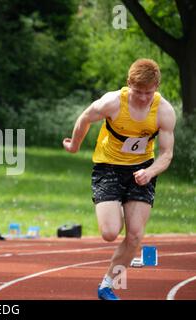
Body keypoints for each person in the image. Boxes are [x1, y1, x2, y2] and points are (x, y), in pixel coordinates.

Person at [62, 58, 176, 300]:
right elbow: (84, 118)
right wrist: (74, 145)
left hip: (142, 170)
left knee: (135, 235)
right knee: (110, 232)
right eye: (138, 92)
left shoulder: (164, 111)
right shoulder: (112, 102)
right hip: (108, 167)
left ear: (157, 86)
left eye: (148, 92)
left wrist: (151, 172)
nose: (143, 97)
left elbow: (166, 153)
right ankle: (120, 208)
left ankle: (106, 285)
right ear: (128, 84)